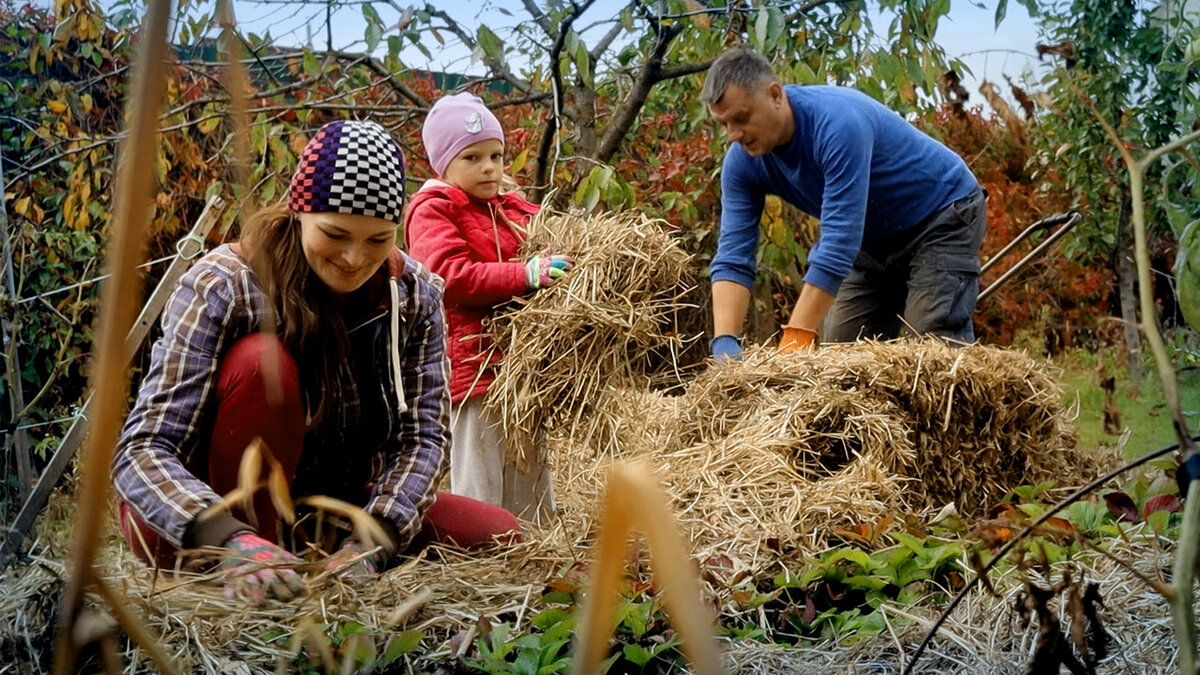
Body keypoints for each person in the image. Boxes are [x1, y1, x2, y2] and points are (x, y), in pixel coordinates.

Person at [111, 119, 521, 604]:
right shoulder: (226, 283)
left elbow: (424, 438)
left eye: (378, 240)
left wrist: (371, 541)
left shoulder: (413, 295)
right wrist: (232, 540)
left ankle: (316, 559)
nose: (353, 257)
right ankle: (261, 570)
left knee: (499, 535)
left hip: (331, 504)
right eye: (335, 233)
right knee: (263, 363)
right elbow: (143, 449)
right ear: (298, 212)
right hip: (207, 518)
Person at [702, 46, 987, 360]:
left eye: (741, 118)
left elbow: (838, 241)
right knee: (842, 359)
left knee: (931, 353)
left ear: (775, 95)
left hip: (941, 215)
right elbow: (733, 257)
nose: (733, 135)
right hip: (871, 241)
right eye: (723, 124)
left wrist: (793, 344)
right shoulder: (742, 164)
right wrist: (725, 343)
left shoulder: (837, 123)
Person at [404, 93, 570, 524]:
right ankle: (482, 548)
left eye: (496, 155)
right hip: (472, 365)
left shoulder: (506, 207)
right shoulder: (433, 210)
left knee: (529, 459)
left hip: (520, 366)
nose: (490, 167)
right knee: (480, 464)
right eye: (473, 157)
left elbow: (551, 236)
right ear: (444, 164)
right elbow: (448, 276)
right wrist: (525, 275)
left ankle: (534, 543)